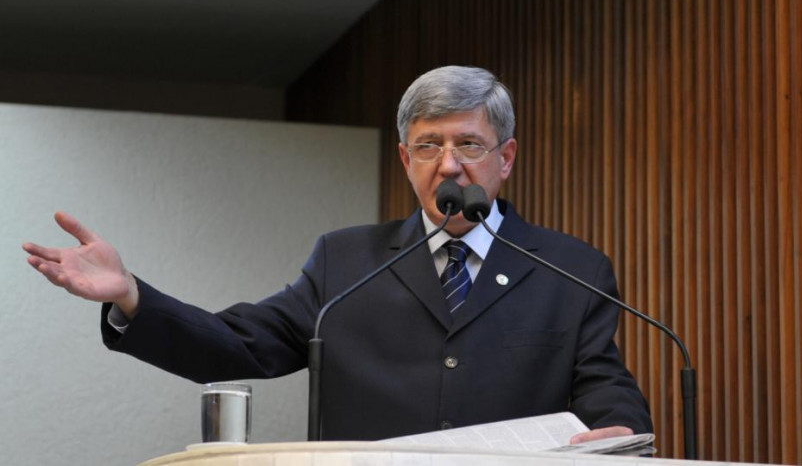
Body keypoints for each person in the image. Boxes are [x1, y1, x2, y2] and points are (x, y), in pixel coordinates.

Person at [23, 66, 651, 443]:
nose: (450, 164)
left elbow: (602, 383)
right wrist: (131, 295)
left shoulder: (573, 269)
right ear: (406, 160)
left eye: (469, 144)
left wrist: (621, 432)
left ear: (506, 158)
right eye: (428, 145)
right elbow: (238, 344)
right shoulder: (346, 262)